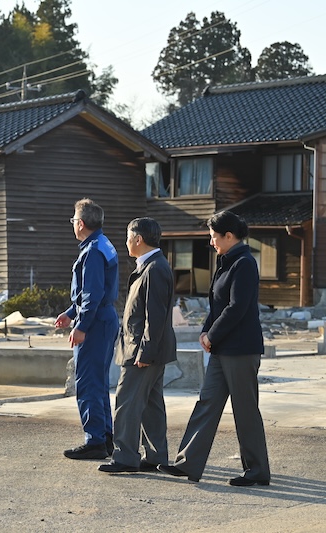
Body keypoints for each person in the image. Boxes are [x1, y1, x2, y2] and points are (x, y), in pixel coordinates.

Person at [158, 211, 271, 486]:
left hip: (241, 350)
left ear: (229, 236)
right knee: (207, 403)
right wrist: (206, 331)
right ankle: (188, 463)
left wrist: (213, 334)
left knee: (245, 410)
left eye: (213, 237)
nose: (211, 242)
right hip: (223, 349)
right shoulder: (226, 261)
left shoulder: (243, 263)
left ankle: (257, 471)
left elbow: (237, 308)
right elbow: (217, 304)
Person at [99, 218, 176, 474]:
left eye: (128, 237)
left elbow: (155, 316)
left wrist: (145, 351)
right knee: (152, 405)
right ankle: (155, 456)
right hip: (146, 348)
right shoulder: (151, 266)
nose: (126, 242)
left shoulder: (154, 268)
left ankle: (125, 457)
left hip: (142, 350)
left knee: (127, 402)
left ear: (138, 239)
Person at [55, 198, 119, 460]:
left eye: (73, 220)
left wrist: (80, 325)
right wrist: (71, 313)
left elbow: (92, 294)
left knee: (88, 383)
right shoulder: (103, 244)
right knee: (99, 382)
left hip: (95, 324)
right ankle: (104, 437)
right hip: (104, 318)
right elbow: (89, 294)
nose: (72, 225)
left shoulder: (92, 251)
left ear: (80, 223)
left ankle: (94, 441)